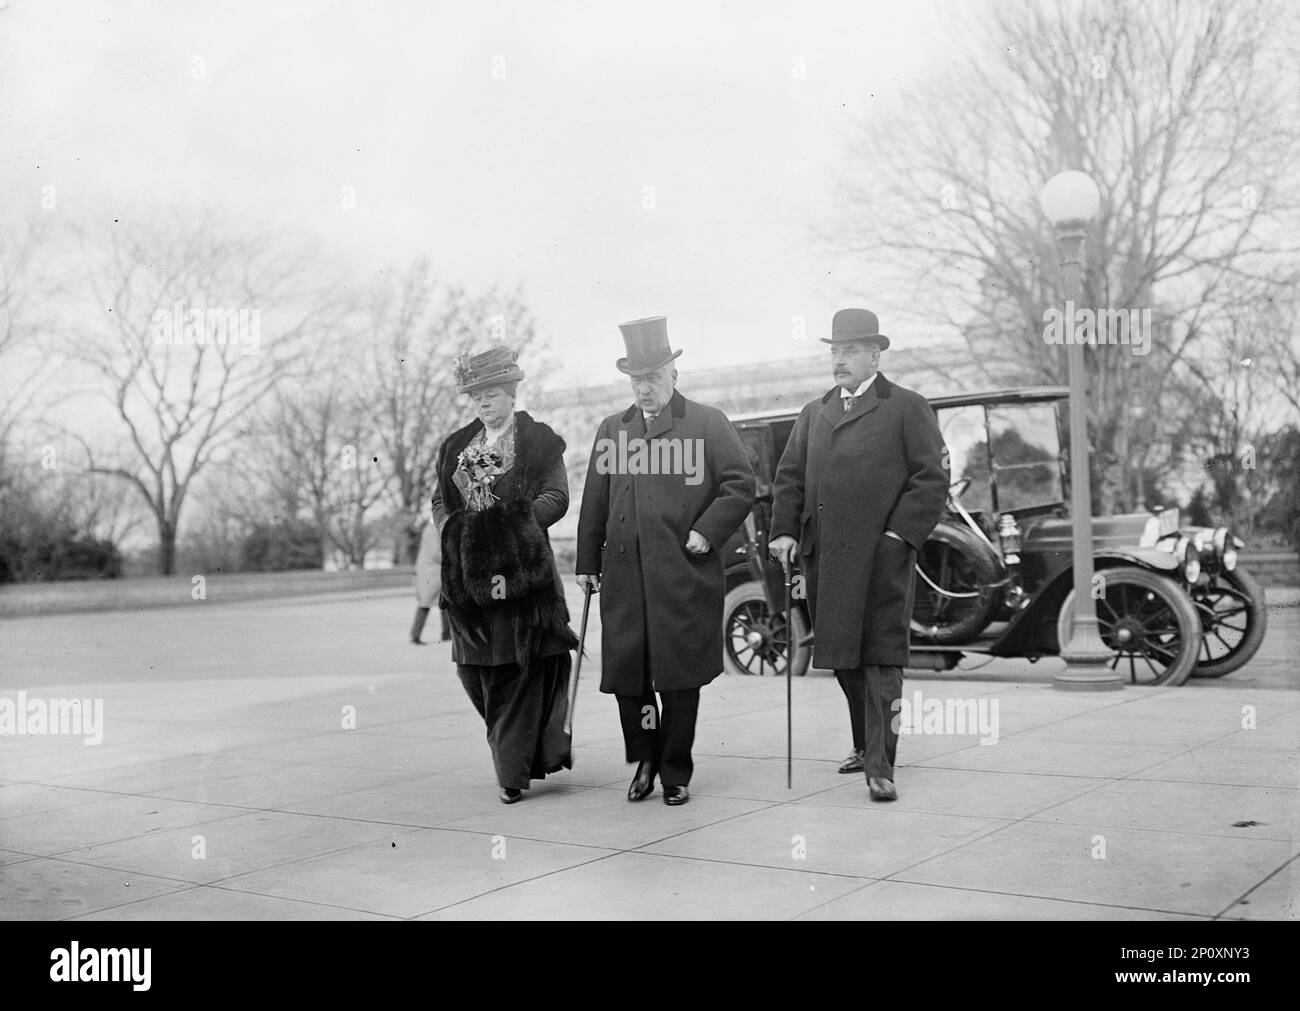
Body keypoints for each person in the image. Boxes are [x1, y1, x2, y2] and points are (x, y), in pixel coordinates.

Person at [769, 308, 947, 801]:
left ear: (875, 354)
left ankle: (881, 764)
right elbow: (789, 478)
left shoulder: (906, 407)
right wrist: (784, 531)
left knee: (881, 658)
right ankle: (861, 744)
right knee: (844, 658)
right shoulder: (814, 412)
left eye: (849, 351)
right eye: (834, 351)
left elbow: (930, 480)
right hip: (824, 557)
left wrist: (898, 538)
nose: (838, 360)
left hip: (880, 557)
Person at [576, 316, 755, 806]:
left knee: (678, 678)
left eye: (653, 377)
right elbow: (595, 501)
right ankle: (646, 758)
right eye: (636, 380)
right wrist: (587, 562)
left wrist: (707, 531)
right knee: (628, 677)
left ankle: (676, 770)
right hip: (625, 577)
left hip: (682, 573)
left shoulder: (706, 422)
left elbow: (740, 484)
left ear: (674, 374)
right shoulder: (613, 430)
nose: (645, 388)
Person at [432, 345, 577, 804]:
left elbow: (556, 497)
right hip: (469, 579)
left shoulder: (539, 442)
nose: (483, 404)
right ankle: (516, 753)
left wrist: (511, 530)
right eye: (477, 397)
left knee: (520, 668)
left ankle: (510, 773)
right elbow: (440, 503)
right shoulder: (456, 447)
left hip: (523, 579)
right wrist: (453, 530)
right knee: (474, 672)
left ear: (512, 395)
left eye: (492, 394)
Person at [410, 517, 451, 645]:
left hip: (433, 571)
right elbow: (435, 553)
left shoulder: (431, 528)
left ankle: (447, 633)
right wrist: (452, 558)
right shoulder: (432, 529)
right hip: (431, 572)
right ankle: (415, 635)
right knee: (425, 604)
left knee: (444, 603)